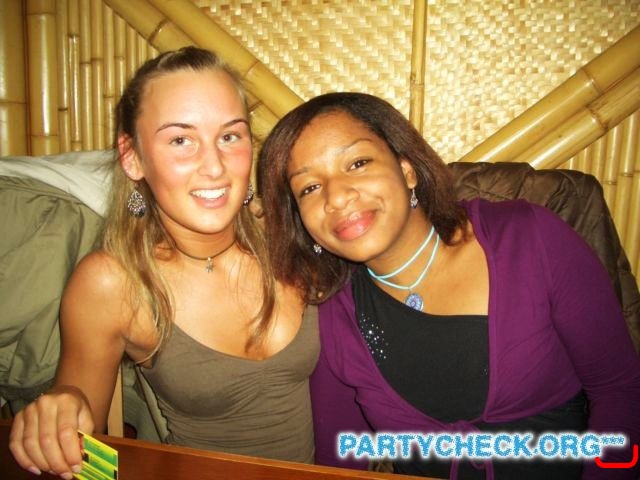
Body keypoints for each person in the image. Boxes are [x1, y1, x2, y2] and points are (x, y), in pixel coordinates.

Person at [257, 92, 640, 479]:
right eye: (309, 188)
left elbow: (621, 391)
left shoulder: (527, 238)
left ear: (407, 170)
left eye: (357, 163)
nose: (337, 197)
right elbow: (338, 458)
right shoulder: (335, 315)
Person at [9, 47, 319, 479]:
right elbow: (85, 447)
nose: (214, 167)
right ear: (132, 157)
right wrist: (64, 411)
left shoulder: (291, 237)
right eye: (180, 140)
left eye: (230, 136)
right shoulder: (112, 282)